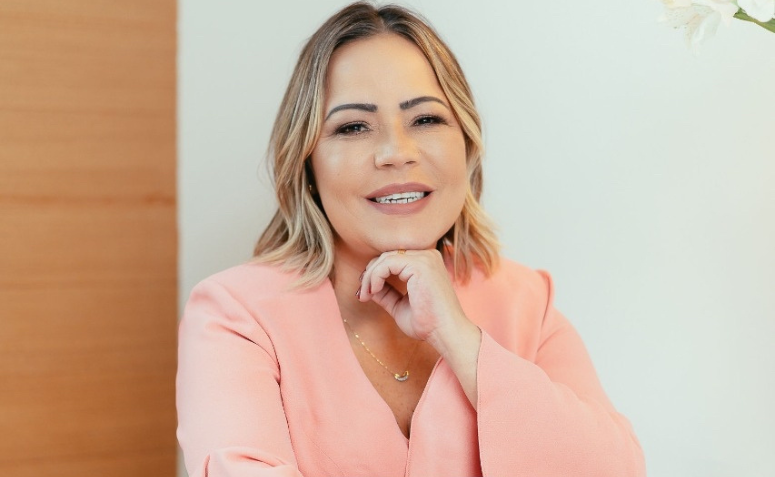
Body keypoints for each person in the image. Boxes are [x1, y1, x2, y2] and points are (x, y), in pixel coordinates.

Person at [176, 2, 646, 476]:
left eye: (425, 119)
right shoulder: (236, 314)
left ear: (467, 146)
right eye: (353, 127)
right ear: (307, 164)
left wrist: (459, 338)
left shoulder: (529, 303)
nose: (396, 153)